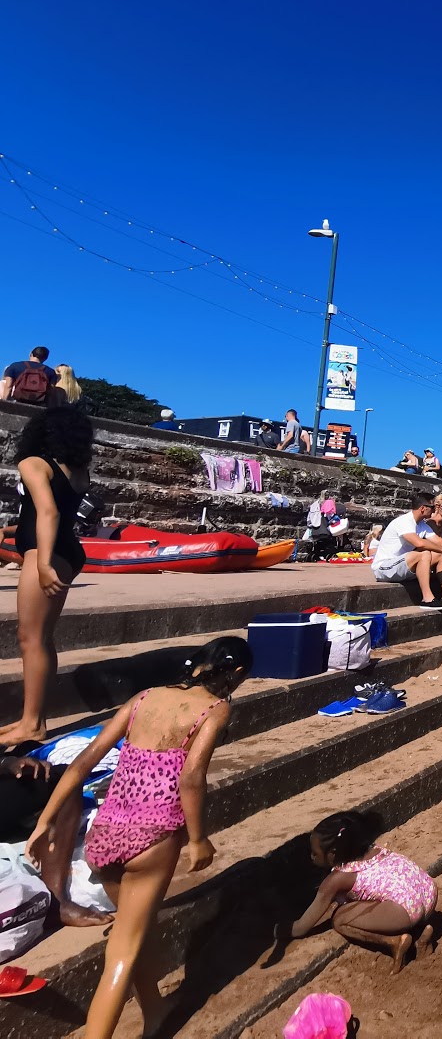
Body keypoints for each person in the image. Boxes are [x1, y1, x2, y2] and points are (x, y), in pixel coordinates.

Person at [27, 636, 251, 1038]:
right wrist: (198, 839)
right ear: (235, 675)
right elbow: (192, 778)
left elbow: (83, 762)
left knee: (135, 928)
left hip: (106, 835)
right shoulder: (215, 711)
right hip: (154, 837)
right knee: (122, 953)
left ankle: (156, 1010)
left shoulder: (144, 698)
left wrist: (45, 822)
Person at [0, 407, 94, 746]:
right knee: (41, 638)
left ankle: (33, 725)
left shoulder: (33, 463)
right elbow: (51, 511)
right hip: (67, 549)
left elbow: (48, 511)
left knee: (31, 639)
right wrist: (9, 530)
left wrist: (41, 564)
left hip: (47, 553)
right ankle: (32, 719)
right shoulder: (78, 470)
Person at [283, 810, 438, 973]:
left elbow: (301, 927)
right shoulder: (371, 849)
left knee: (339, 919)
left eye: (315, 853)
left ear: (333, 853)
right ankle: (421, 934)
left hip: (405, 910)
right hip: (428, 891)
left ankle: (394, 941)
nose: (312, 857)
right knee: (377, 903)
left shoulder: (337, 879)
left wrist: (277, 930)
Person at [371, 490, 442, 606]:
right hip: (384, 568)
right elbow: (419, 543)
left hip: (404, 566)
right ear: (423, 508)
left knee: (440, 554)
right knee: (424, 553)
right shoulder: (404, 521)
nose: (435, 510)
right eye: (433, 507)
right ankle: (427, 598)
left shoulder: (422, 525)